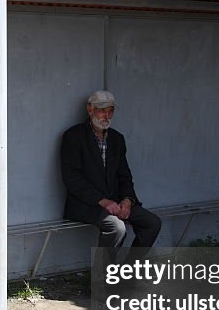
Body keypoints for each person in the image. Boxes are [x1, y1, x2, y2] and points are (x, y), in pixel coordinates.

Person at [60, 90, 162, 257]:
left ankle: (130, 272)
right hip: (86, 204)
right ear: (90, 109)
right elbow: (72, 179)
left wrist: (128, 200)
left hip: (116, 202)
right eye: (102, 110)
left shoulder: (117, 139)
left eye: (110, 111)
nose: (106, 116)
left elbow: (125, 175)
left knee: (152, 223)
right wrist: (103, 201)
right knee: (117, 228)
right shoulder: (73, 136)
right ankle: (103, 279)